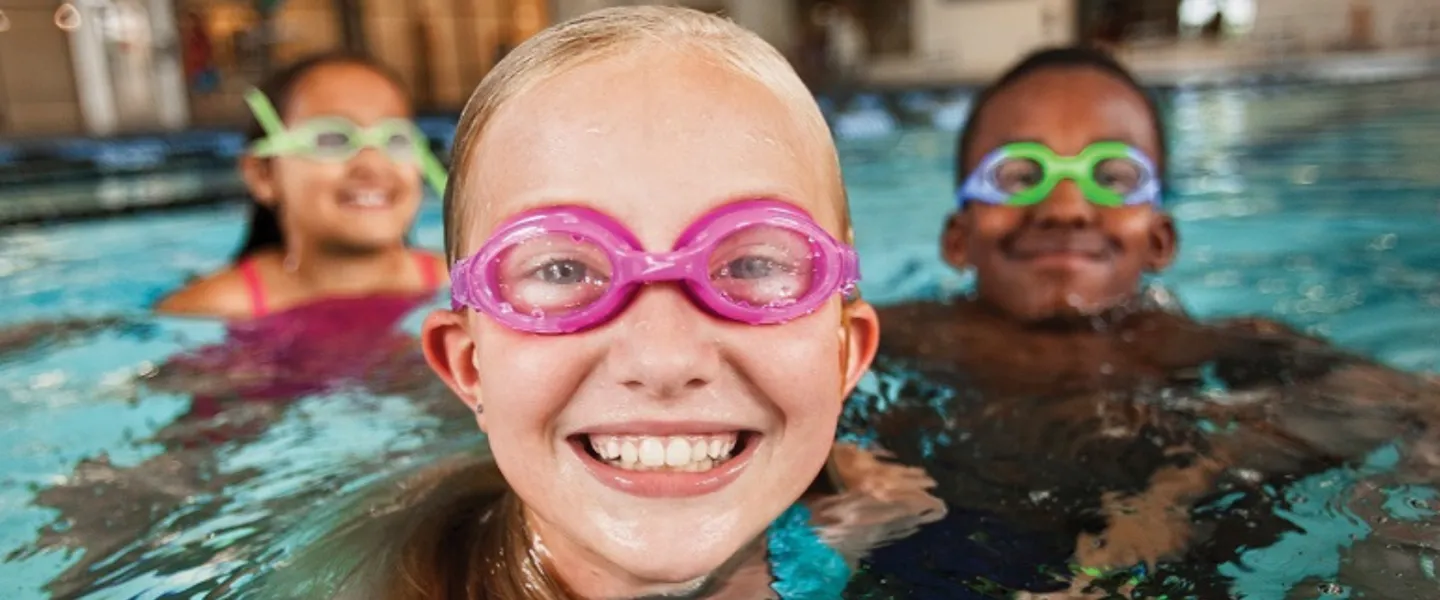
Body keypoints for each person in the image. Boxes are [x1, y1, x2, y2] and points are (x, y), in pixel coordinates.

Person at [252, 7, 940, 599]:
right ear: (468, 367)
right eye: (561, 268)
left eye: (754, 264)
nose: (664, 359)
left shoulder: (896, 520)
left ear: (845, 352)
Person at [853, 46, 1440, 597]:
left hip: (1175, 557)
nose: (1066, 208)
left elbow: (1412, 403)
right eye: (1018, 175)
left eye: (1111, 178)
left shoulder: (1200, 345)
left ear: (1160, 239)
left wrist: (1199, 474)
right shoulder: (892, 334)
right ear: (958, 238)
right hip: (929, 543)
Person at [155, 52, 448, 321]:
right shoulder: (211, 308)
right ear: (263, 174)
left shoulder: (460, 283)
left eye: (396, 139)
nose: (372, 163)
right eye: (332, 139)